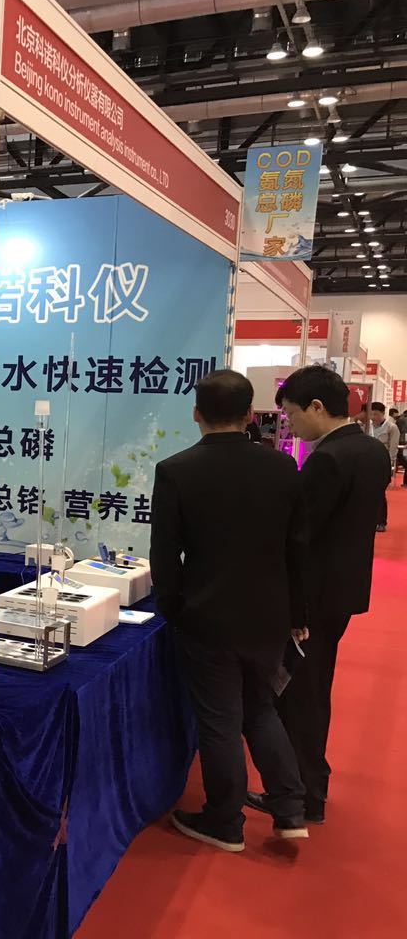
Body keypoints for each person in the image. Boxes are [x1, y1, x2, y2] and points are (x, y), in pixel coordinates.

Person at [150, 369, 308, 852]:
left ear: (196, 413)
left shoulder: (176, 470)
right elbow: (297, 547)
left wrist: (173, 608)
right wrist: (297, 612)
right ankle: (290, 807)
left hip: (208, 615)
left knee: (220, 720)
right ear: (250, 415)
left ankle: (225, 820)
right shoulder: (283, 467)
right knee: (259, 709)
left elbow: (164, 554)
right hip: (269, 614)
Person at [262, 365, 387, 824]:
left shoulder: (328, 459)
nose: (291, 425)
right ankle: (304, 789)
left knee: (300, 695)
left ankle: (302, 795)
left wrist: (293, 608)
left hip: (314, 596)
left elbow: (300, 537)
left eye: (293, 414)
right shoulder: (370, 449)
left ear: (316, 407)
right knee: (312, 689)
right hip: (343, 589)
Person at [369, 402, 400, 530]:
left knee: (379, 493)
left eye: (376, 414)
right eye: (371, 414)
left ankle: (381, 522)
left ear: (383, 413)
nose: (373, 417)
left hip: (382, 463)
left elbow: (393, 448)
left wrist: (390, 464)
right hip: (368, 462)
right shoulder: (368, 426)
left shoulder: (391, 428)